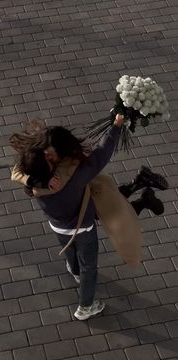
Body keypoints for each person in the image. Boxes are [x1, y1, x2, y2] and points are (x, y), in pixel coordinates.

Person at [10, 115, 168, 320]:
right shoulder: (73, 177)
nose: (49, 156)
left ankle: (73, 270)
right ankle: (86, 306)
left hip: (58, 225)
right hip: (82, 227)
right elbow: (103, 153)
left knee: (72, 250)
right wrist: (117, 126)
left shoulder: (31, 178)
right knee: (89, 267)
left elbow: (17, 171)